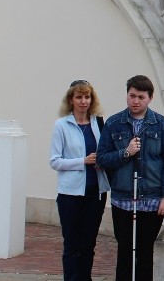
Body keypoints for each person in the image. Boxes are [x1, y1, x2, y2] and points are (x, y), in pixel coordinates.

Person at [96, 75, 164, 281]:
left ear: (150, 98)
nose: (136, 101)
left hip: (152, 199)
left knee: (145, 250)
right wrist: (126, 152)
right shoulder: (114, 123)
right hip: (123, 198)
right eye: (132, 96)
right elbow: (102, 158)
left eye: (141, 97)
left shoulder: (161, 124)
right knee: (124, 249)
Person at [49, 80, 111, 281]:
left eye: (87, 97)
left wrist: (102, 162)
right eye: (79, 97)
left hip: (96, 191)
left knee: (89, 243)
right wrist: (82, 161)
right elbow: (55, 161)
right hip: (70, 194)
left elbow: (105, 152)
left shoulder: (98, 122)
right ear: (71, 100)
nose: (83, 101)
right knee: (72, 243)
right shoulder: (62, 125)